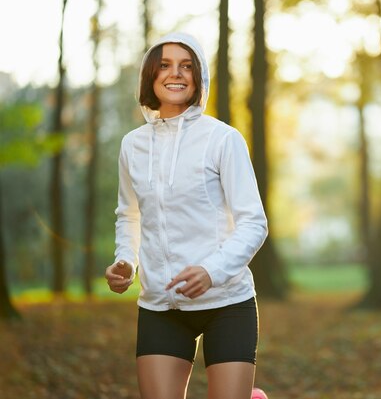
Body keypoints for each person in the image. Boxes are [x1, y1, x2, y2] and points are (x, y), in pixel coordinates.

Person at [105, 32, 268, 399]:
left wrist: (211, 270)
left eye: (186, 66)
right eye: (164, 65)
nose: (175, 73)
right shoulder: (133, 145)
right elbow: (129, 214)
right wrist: (125, 261)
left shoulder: (223, 140)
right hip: (161, 304)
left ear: (199, 78)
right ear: (150, 76)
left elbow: (254, 222)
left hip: (226, 302)